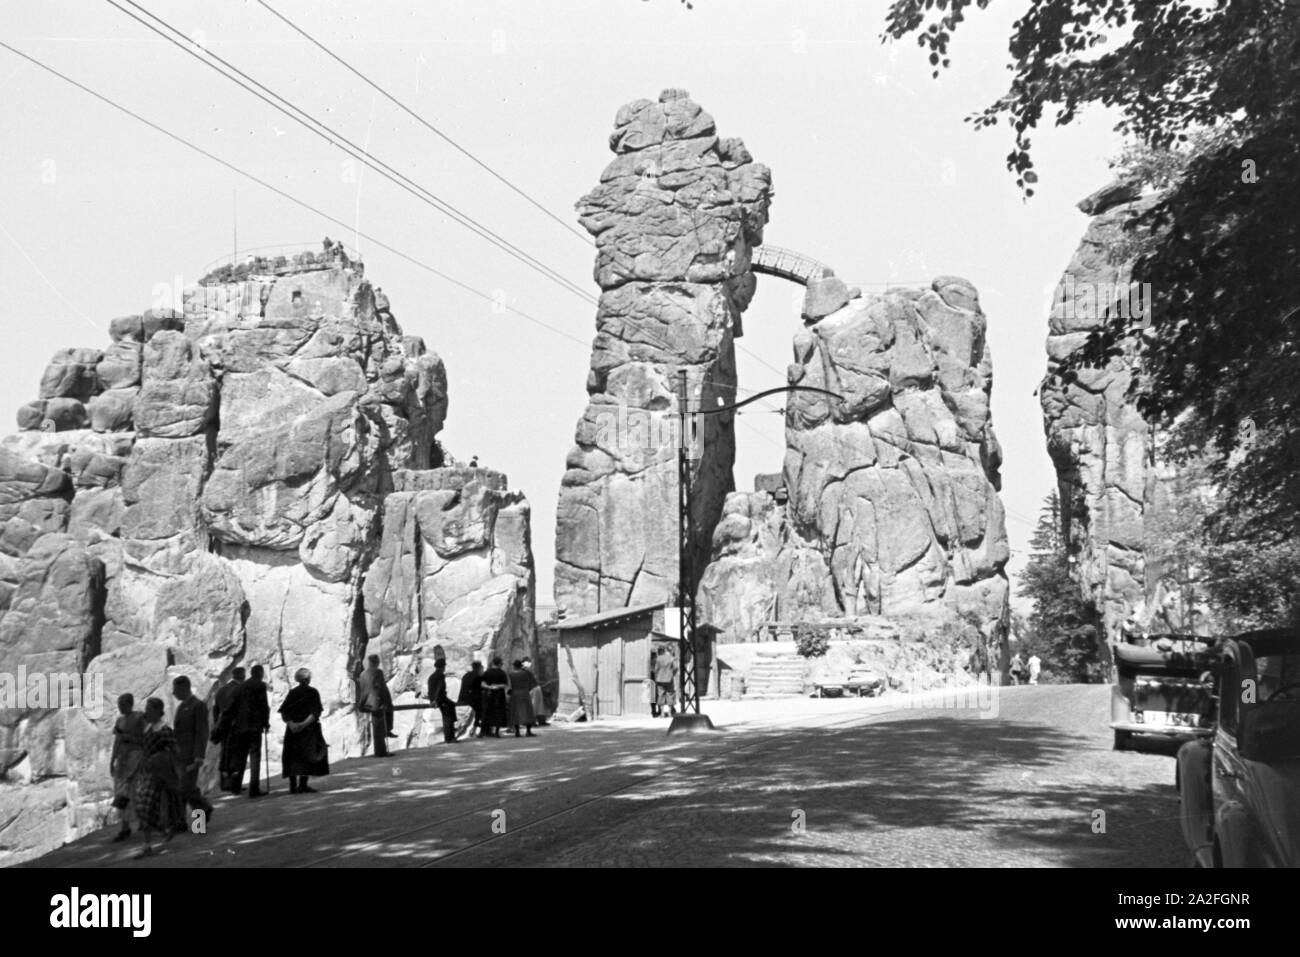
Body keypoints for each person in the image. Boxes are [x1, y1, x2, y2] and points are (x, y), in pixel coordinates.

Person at [134, 697, 182, 859]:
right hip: (147, 773)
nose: (146, 712)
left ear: (156, 711)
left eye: (149, 709)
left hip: (160, 774)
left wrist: (172, 765)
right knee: (142, 807)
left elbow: (175, 749)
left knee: (147, 807)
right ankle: (162, 832)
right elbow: (144, 749)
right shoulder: (149, 728)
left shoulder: (164, 729)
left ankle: (149, 844)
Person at [171, 676, 213, 824]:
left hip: (191, 754)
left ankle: (201, 816)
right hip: (180, 755)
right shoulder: (181, 707)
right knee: (183, 788)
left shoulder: (198, 705)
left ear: (184, 688)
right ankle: (180, 822)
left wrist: (199, 756)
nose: (173, 693)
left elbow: (202, 732)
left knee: (187, 788)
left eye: (175, 690)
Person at [280, 667, 329, 794]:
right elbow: (315, 712)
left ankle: (292, 786)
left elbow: (285, 711)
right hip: (308, 729)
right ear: (307, 679)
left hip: (293, 730)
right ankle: (302, 785)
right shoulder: (313, 692)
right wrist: (303, 724)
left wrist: (291, 724)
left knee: (292, 757)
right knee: (307, 756)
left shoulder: (292, 693)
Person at [229, 664, 271, 797]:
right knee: (255, 756)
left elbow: (233, 707)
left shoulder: (240, 687)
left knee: (241, 756)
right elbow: (264, 706)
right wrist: (266, 723)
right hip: (254, 726)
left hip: (241, 726)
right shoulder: (260, 686)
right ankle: (254, 788)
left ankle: (235, 786)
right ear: (260, 673)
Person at [109, 693, 146, 843]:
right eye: (119, 704)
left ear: (130, 704)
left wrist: (129, 739)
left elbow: (145, 739)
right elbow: (117, 741)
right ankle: (125, 827)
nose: (120, 707)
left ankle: (144, 821)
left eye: (123, 704)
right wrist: (112, 760)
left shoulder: (139, 718)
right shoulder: (120, 720)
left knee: (137, 791)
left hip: (136, 757)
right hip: (122, 761)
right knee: (121, 793)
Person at [212, 667, 245, 793]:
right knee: (237, 756)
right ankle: (235, 785)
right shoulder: (241, 690)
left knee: (225, 754)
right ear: (242, 676)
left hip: (223, 727)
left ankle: (224, 784)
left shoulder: (221, 690)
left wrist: (217, 725)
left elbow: (215, 709)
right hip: (237, 726)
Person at [357, 654, 396, 757]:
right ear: (377, 662)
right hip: (377, 702)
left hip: (366, 703)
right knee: (378, 727)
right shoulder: (378, 672)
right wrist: (385, 702)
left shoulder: (362, 674)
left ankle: (380, 749)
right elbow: (381, 688)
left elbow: (361, 689)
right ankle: (381, 751)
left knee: (376, 727)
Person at [426, 659, 458, 744]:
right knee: (448, 718)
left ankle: (450, 737)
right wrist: (436, 700)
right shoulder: (440, 675)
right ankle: (450, 738)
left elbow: (430, 690)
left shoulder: (432, 676)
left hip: (437, 699)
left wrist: (432, 700)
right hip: (441, 699)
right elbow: (439, 688)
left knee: (450, 709)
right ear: (443, 667)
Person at [480, 657, 510, 738]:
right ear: (500, 663)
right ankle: (496, 732)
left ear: (493, 663)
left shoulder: (487, 672)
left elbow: (482, 683)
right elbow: (505, 684)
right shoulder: (502, 673)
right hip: (499, 695)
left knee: (486, 712)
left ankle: (482, 732)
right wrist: (497, 686)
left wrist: (489, 687)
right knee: (498, 712)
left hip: (488, 694)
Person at [508, 659, 537, 737]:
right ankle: (528, 731)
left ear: (514, 666)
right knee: (528, 712)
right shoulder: (526, 673)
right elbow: (534, 683)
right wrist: (528, 689)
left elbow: (508, 686)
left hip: (514, 694)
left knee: (515, 713)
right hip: (525, 693)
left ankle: (517, 732)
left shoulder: (511, 674)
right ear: (521, 665)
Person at [457, 661, 484, 737]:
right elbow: (479, 689)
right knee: (480, 712)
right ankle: (476, 730)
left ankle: (472, 730)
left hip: (463, 698)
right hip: (473, 699)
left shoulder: (466, 675)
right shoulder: (478, 676)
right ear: (479, 668)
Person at [654, 644, 678, 717]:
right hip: (669, 679)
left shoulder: (658, 658)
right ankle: (670, 713)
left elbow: (656, 669)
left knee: (660, 695)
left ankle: (662, 713)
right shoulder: (671, 658)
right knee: (670, 694)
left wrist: (657, 676)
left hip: (660, 679)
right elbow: (676, 667)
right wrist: (671, 673)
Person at [522, 656, 546, 725]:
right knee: (534, 706)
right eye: (528, 662)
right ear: (524, 663)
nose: (530, 663)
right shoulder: (523, 671)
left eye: (530, 662)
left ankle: (541, 720)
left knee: (539, 706)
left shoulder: (527, 670)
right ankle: (532, 721)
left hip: (535, 688)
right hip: (532, 689)